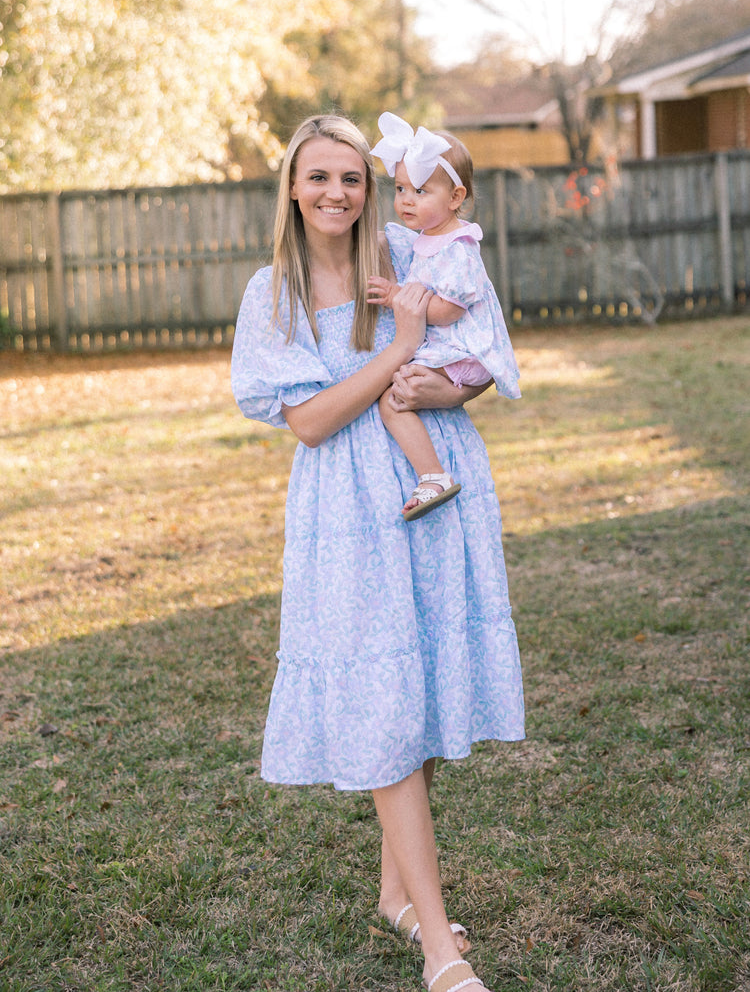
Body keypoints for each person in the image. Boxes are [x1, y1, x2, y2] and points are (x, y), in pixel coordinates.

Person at [230, 114, 524, 992]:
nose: (337, 193)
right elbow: (311, 421)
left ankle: (397, 893)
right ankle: (441, 944)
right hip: (346, 510)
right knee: (386, 695)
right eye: (318, 177)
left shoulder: (409, 248)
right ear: (292, 185)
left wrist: (441, 382)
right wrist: (397, 349)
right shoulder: (270, 295)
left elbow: (469, 347)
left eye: (352, 177)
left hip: (430, 479)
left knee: (424, 678)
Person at [367, 112, 521, 520]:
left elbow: (450, 310)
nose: (406, 200)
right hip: (453, 352)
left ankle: (432, 476)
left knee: (393, 402)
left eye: (420, 190)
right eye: (400, 188)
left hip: (463, 352)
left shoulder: (458, 246)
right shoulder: (428, 241)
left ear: (455, 197)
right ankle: (431, 472)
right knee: (394, 396)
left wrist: (398, 297)